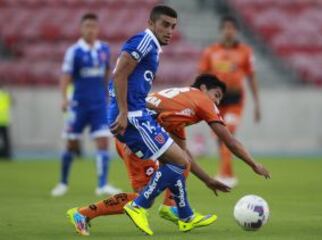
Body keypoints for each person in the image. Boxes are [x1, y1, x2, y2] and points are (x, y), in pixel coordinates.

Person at [66, 74, 270, 236]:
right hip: (134, 136)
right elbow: (229, 140)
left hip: (135, 133)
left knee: (178, 163)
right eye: (216, 95)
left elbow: (184, 157)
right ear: (203, 89)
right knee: (142, 196)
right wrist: (253, 164)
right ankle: (82, 214)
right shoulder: (200, 100)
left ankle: (179, 212)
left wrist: (208, 180)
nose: (216, 102)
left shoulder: (181, 108)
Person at [51, 13, 121, 197]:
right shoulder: (74, 51)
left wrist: (108, 93)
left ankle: (102, 184)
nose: (90, 29)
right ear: (81, 28)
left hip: (99, 104)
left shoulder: (104, 49)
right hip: (78, 104)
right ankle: (63, 182)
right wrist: (64, 98)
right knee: (71, 144)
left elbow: (107, 71)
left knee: (103, 142)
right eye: (87, 25)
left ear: (98, 29)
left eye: (93, 26)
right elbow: (65, 76)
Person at [198, 16, 261, 187]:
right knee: (220, 138)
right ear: (221, 30)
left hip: (235, 100)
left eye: (232, 27)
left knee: (228, 134)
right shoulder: (210, 52)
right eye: (225, 27)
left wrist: (257, 104)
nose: (228, 30)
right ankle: (229, 174)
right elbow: (201, 77)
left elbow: (251, 77)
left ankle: (225, 175)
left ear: (237, 31)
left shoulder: (245, 52)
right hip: (215, 101)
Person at [0, 84, 12, 159]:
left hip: (3, 121)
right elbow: (12, 102)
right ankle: (7, 155)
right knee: (6, 140)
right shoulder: (5, 95)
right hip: (5, 121)